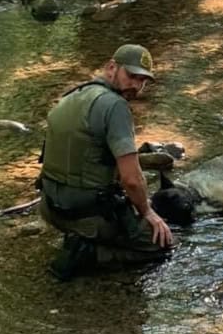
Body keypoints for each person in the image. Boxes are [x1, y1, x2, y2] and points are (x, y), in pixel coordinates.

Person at [38, 43, 174, 280]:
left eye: (143, 80)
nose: (136, 85)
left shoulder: (72, 96)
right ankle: (90, 253)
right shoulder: (115, 106)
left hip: (50, 207)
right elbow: (131, 180)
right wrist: (148, 212)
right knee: (163, 244)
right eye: (131, 76)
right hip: (86, 216)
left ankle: (82, 238)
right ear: (112, 67)